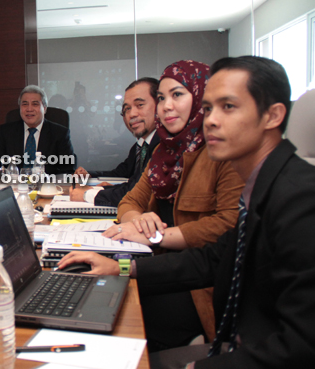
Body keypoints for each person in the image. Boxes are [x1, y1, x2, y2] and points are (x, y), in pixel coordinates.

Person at [59, 56, 315, 368]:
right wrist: (122, 268)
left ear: (273, 116)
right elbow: (212, 260)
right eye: (207, 108)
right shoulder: (263, 184)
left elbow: (303, 345)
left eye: (228, 107)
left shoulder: (301, 198)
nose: (210, 120)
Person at [102, 61, 245, 351]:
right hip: (159, 263)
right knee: (101, 294)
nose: (166, 106)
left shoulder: (221, 151)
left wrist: (155, 236)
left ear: (201, 97)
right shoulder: (164, 151)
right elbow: (131, 200)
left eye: (177, 95)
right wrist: (136, 221)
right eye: (162, 98)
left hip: (197, 284)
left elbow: (228, 225)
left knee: (117, 315)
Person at [72, 78, 161, 206]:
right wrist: (90, 174)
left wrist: (87, 194)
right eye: (127, 109)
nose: (131, 114)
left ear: (160, 106)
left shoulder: (162, 146)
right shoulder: (141, 146)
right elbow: (121, 174)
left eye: (140, 105)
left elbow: (138, 192)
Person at [0, 85, 75, 175]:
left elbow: (67, 171)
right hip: (15, 186)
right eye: (25, 104)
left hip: (46, 186)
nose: (29, 109)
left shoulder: (60, 133)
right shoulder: (6, 132)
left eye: (35, 104)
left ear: (44, 108)